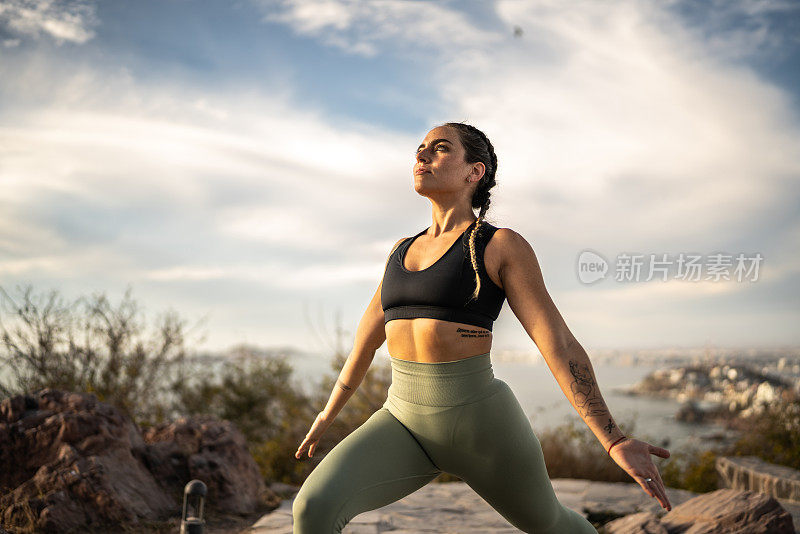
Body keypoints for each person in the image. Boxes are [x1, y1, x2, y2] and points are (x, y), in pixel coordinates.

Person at [291, 122, 672, 533]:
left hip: (481, 424)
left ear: (475, 172)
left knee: (550, 524)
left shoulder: (499, 245)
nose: (422, 156)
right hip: (403, 422)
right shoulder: (400, 252)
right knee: (313, 507)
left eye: (439, 149)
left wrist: (612, 438)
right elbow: (364, 346)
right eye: (420, 149)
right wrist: (327, 415)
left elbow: (557, 342)